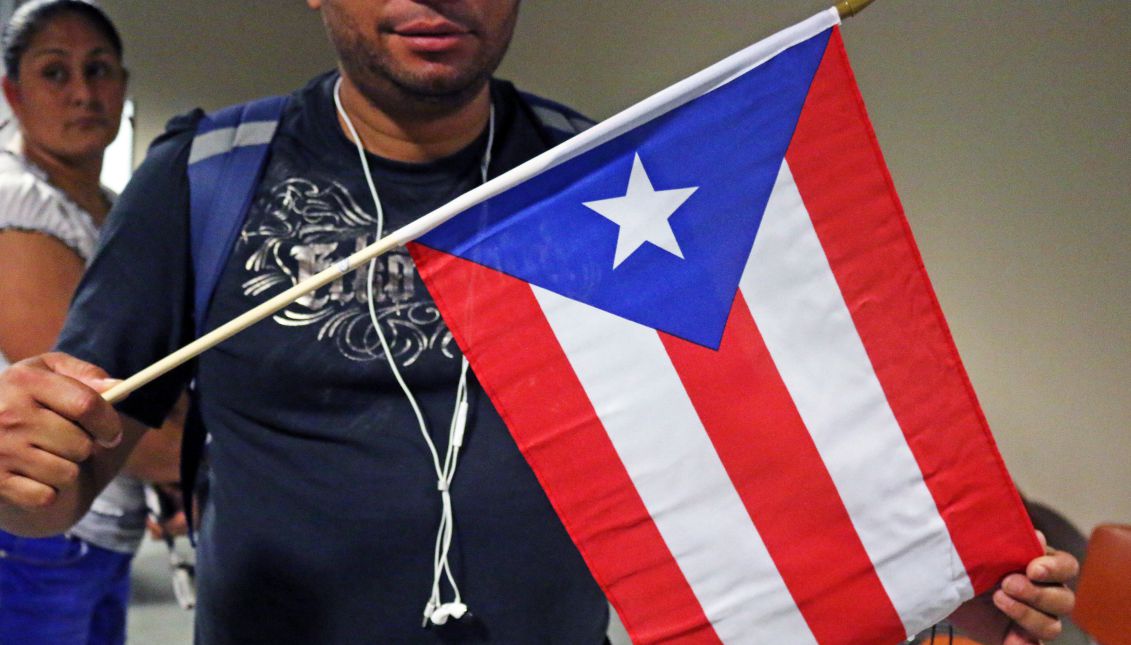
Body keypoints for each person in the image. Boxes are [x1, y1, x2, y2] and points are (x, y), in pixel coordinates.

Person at [0, 1, 1078, 643]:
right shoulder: (202, 175)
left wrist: (930, 586)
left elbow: (749, 446)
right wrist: (26, 472)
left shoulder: (603, 180)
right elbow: (68, 470)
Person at [0, 2, 182, 643]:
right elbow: (90, 409)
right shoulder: (14, 203)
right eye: (55, 73)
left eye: (99, 69)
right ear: (11, 93)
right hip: (34, 541)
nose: (83, 92)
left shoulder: (111, 207)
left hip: (97, 529)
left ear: (124, 87)